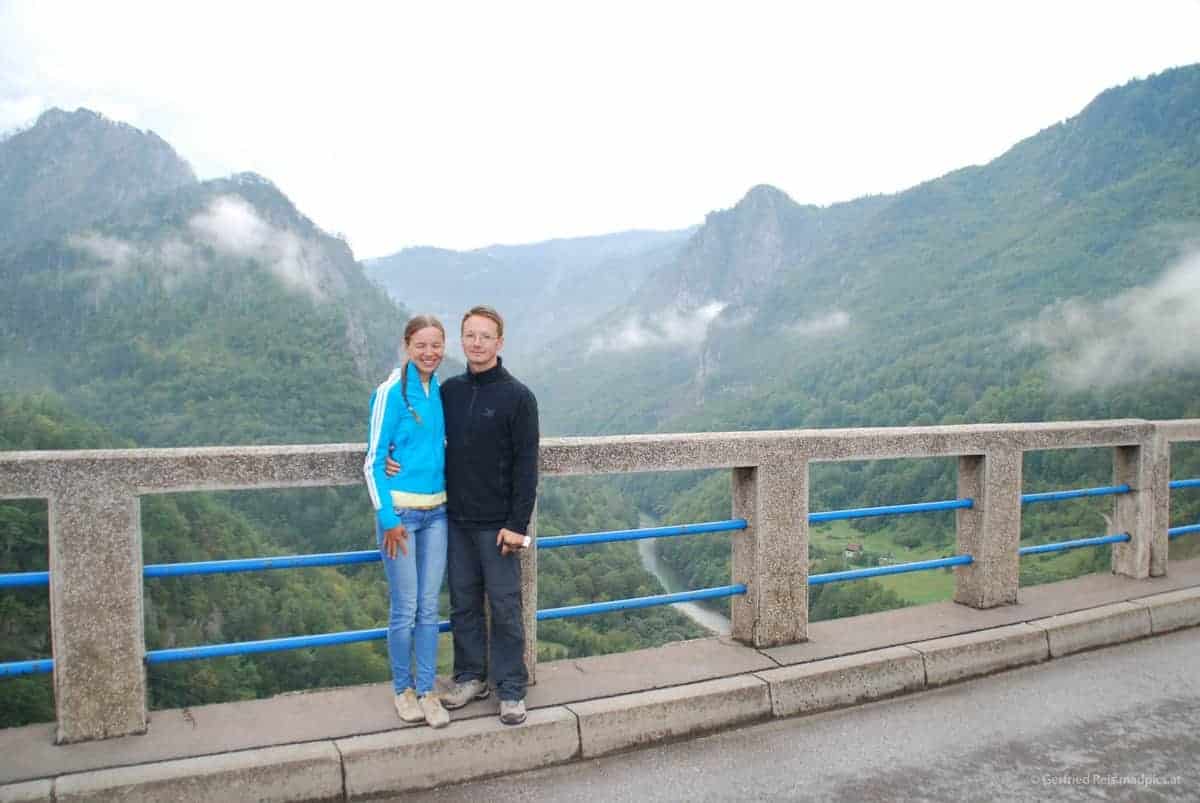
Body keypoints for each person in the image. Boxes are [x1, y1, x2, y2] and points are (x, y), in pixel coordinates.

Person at [438, 305, 540, 725]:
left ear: (500, 342)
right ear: (461, 340)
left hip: (499, 525)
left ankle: (511, 688)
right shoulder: (449, 391)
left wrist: (517, 525)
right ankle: (470, 677)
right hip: (457, 521)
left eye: (485, 336)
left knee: (504, 606)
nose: (476, 343)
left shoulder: (518, 397)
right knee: (463, 604)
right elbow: (422, 440)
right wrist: (392, 458)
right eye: (469, 335)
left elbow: (526, 465)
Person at [363, 314, 451, 729]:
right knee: (406, 607)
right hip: (400, 517)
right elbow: (373, 462)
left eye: (436, 345)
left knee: (430, 607)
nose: (429, 353)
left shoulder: (440, 392)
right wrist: (387, 518)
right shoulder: (389, 393)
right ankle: (403, 690)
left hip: (439, 513)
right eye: (421, 345)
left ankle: (428, 689)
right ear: (407, 346)